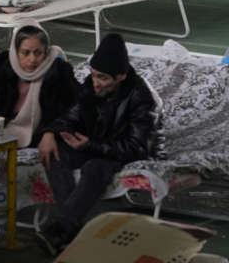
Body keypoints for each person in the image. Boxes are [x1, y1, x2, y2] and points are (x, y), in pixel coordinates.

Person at [37, 33, 161, 255]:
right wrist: (49, 133)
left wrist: (90, 146)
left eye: (103, 78)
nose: (96, 83)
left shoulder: (141, 98)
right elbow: (69, 117)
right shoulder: (91, 87)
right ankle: (69, 231)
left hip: (119, 153)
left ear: (121, 76)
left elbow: (137, 147)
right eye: (93, 75)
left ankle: (61, 230)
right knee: (55, 153)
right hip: (94, 145)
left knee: (95, 167)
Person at [0, 24, 78, 217]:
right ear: (16, 52)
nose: (32, 59)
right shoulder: (2, 65)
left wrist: (51, 132)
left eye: (38, 53)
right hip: (4, 127)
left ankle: (68, 222)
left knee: (56, 158)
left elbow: (76, 107)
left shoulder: (58, 70)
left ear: (46, 52)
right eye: (25, 53)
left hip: (41, 131)